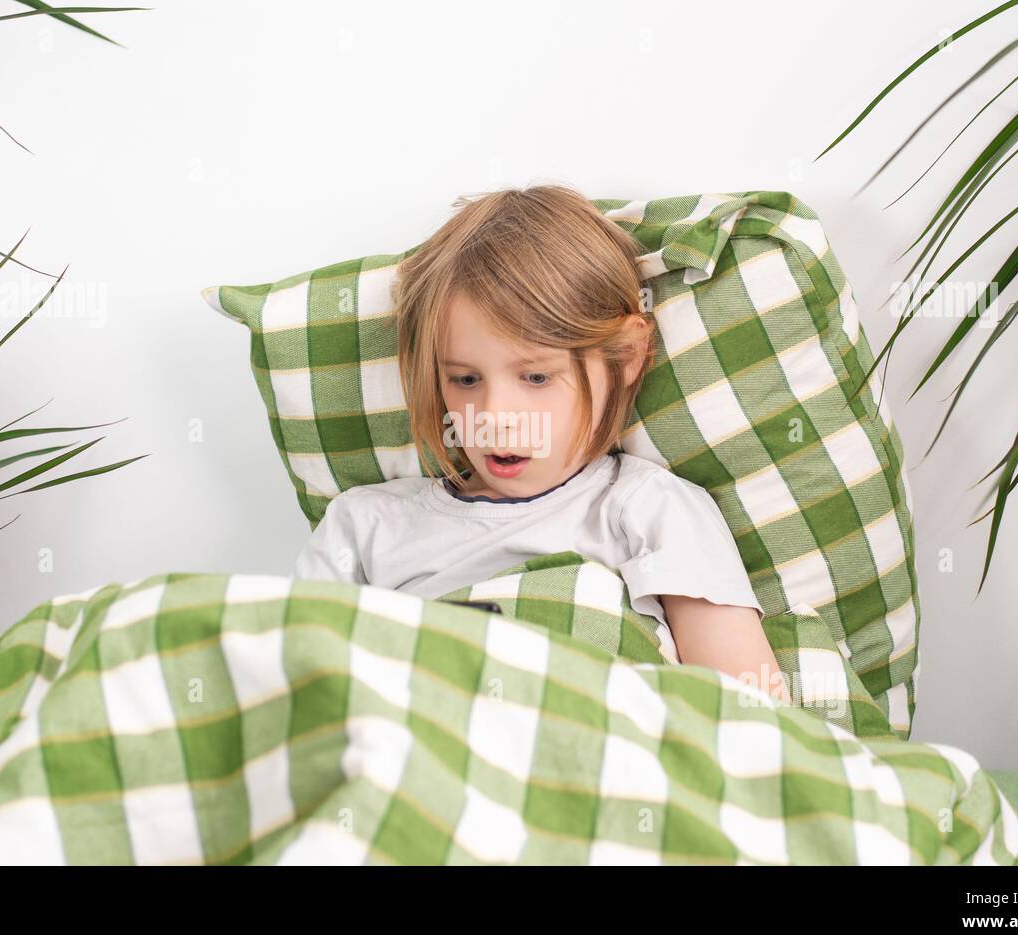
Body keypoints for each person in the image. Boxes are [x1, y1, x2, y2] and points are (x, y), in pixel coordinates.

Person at [294, 183, 789, 705]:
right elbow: (298, 696)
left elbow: (750, 717)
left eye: (535, 378)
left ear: (625, 358)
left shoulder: (648, 509)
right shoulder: (364, 526)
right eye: (464, 380)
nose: (494, 419)